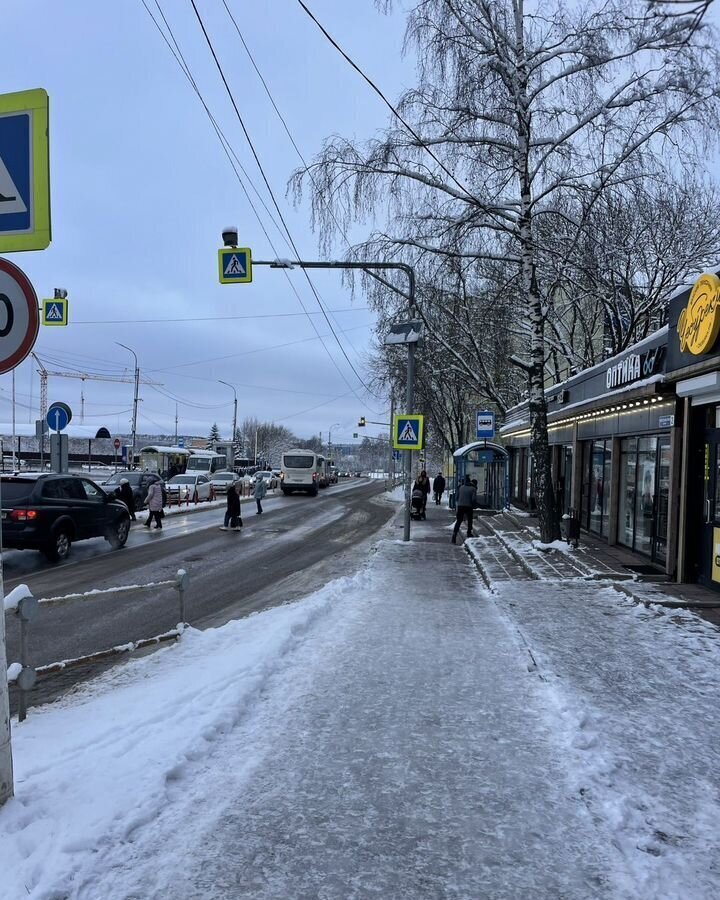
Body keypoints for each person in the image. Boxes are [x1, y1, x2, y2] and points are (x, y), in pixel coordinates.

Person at [452, 476, 477, 544]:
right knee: (469, 520)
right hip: (468, 506)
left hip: (460, 506)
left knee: (459, 521)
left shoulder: (461, 487)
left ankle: (454, 534)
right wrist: (473, 505)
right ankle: (469, 532)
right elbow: (473, 499)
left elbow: (457, 497)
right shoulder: (473, 488)